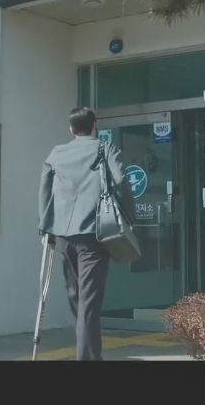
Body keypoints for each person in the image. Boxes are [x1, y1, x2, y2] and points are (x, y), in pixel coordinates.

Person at [38, 107, 135, 361]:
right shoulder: (106, 149)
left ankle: (87, 354)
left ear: (71, 129)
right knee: (88, 302)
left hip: (63, 236)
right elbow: (121, 182)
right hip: (94, 234)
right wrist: (129, 216)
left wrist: (46, 228)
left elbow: (45, 190)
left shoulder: (56, 153)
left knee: (76, 298)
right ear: (94, 126)